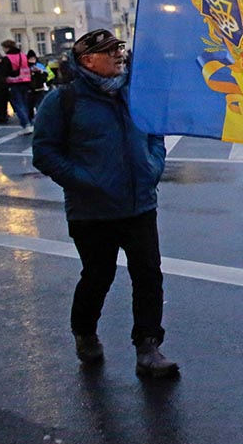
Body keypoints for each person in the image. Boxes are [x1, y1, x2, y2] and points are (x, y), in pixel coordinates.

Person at [31, 29, 177, 379]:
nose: (118, 55)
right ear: (87, 60)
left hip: (140, 203)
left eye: (119, 49)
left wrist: (153, 164)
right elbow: (45, 153)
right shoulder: (63, 101)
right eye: (109, 51)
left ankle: (148, 347)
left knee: (148, 276)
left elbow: (154, 131)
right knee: (98, 276)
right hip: (91, 211)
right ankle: (84, 332)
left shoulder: (133, 93)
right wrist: (85, 182)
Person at [0, 39, 35, 133]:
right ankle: (30, 123)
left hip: (14, 82)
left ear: (7, 48)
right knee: (25, 104)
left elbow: (4, 72)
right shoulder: (23, 56)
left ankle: (26, 124)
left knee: (18, 105)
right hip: (26, 81)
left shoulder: (7, 58)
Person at [26, 50, 53, 119]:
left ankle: (39, 117)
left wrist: (40, 72)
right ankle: (31, 118)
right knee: (30, 105)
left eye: (33, 59)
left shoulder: (39, 65)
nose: (32, 60)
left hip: (39, 88)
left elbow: (46, 75)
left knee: (39, 104)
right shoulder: (26, 67)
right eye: (30, 59)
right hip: (30, 89)